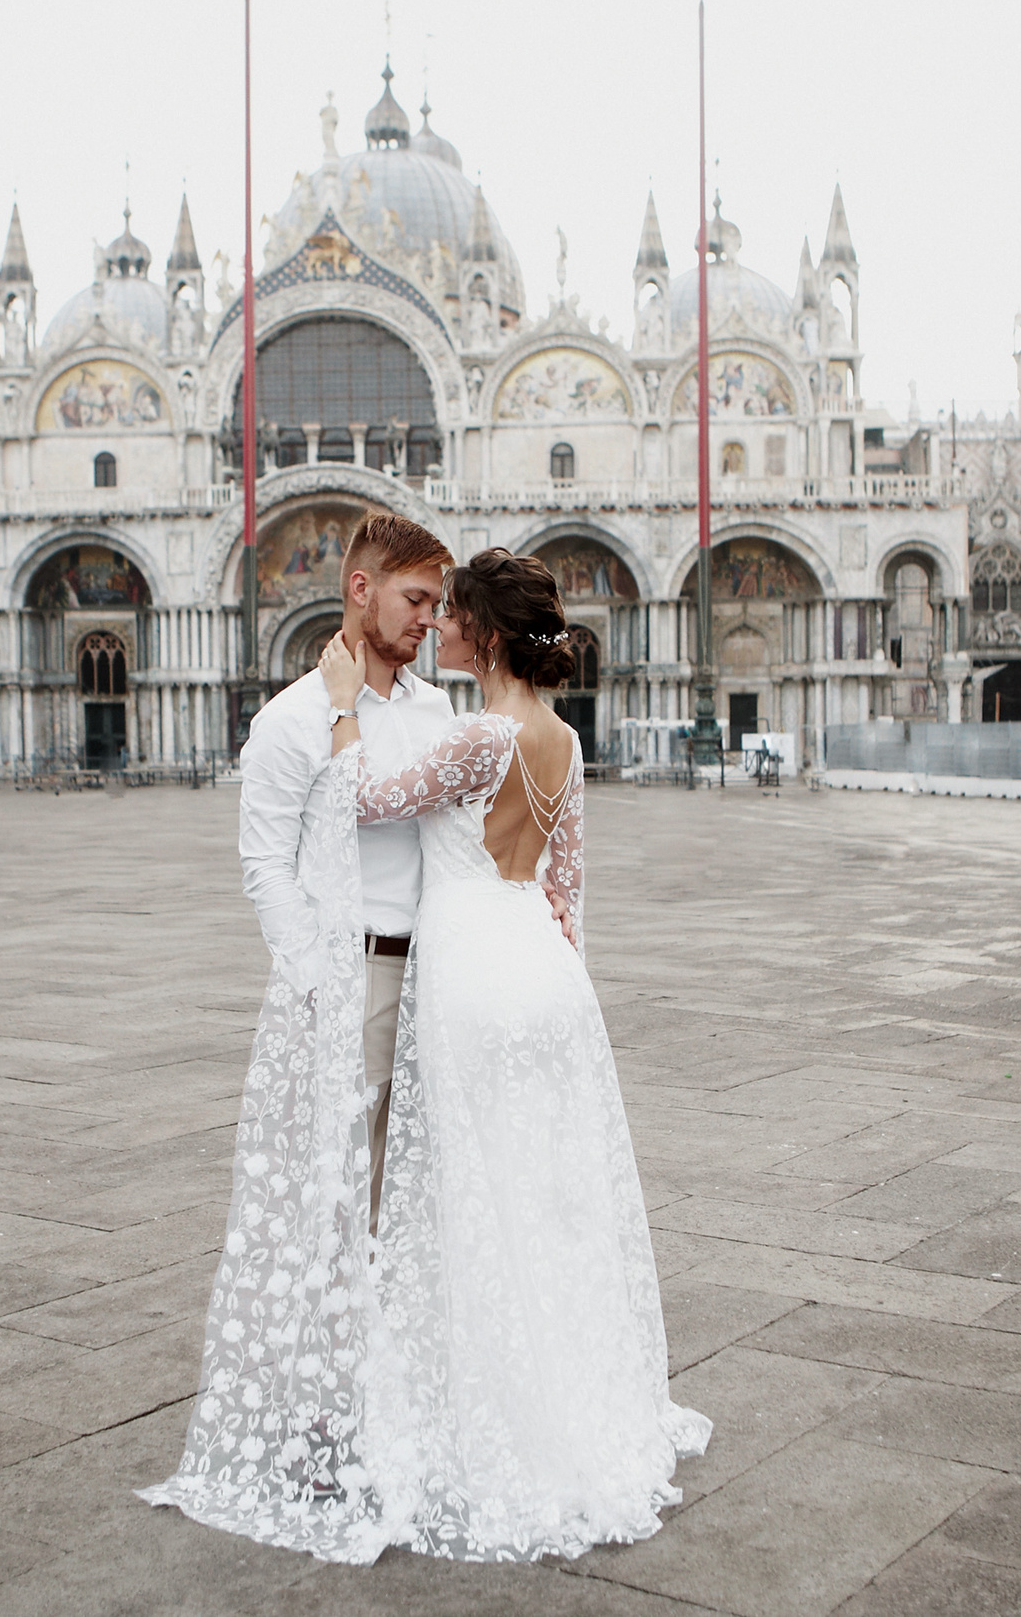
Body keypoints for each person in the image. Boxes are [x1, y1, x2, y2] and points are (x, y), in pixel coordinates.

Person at [316, 547, 709, 1562]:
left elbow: (363, 794)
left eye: (450, 618)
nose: (436, 628)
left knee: (472, 1195)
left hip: (475, 975)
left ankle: (492, 1415)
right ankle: (571, 1396)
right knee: (544, 1195)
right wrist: (554, 975)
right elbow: (565, 887)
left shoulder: (479, 735)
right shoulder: (562, 741)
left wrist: (343, 700)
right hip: (543, 971)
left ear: (484, 635)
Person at [138, 513, 455, 1561]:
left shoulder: (432, 706)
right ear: (359, 589)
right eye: (415, 601)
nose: (428, 622)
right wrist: (316, 976)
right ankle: (330, 1412)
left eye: (438, 605)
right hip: (356, 974)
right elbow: (263, 862)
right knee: (342, 1199)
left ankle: (411, 1398)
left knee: (423, 1195)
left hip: (441, 976)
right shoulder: (289, 720)